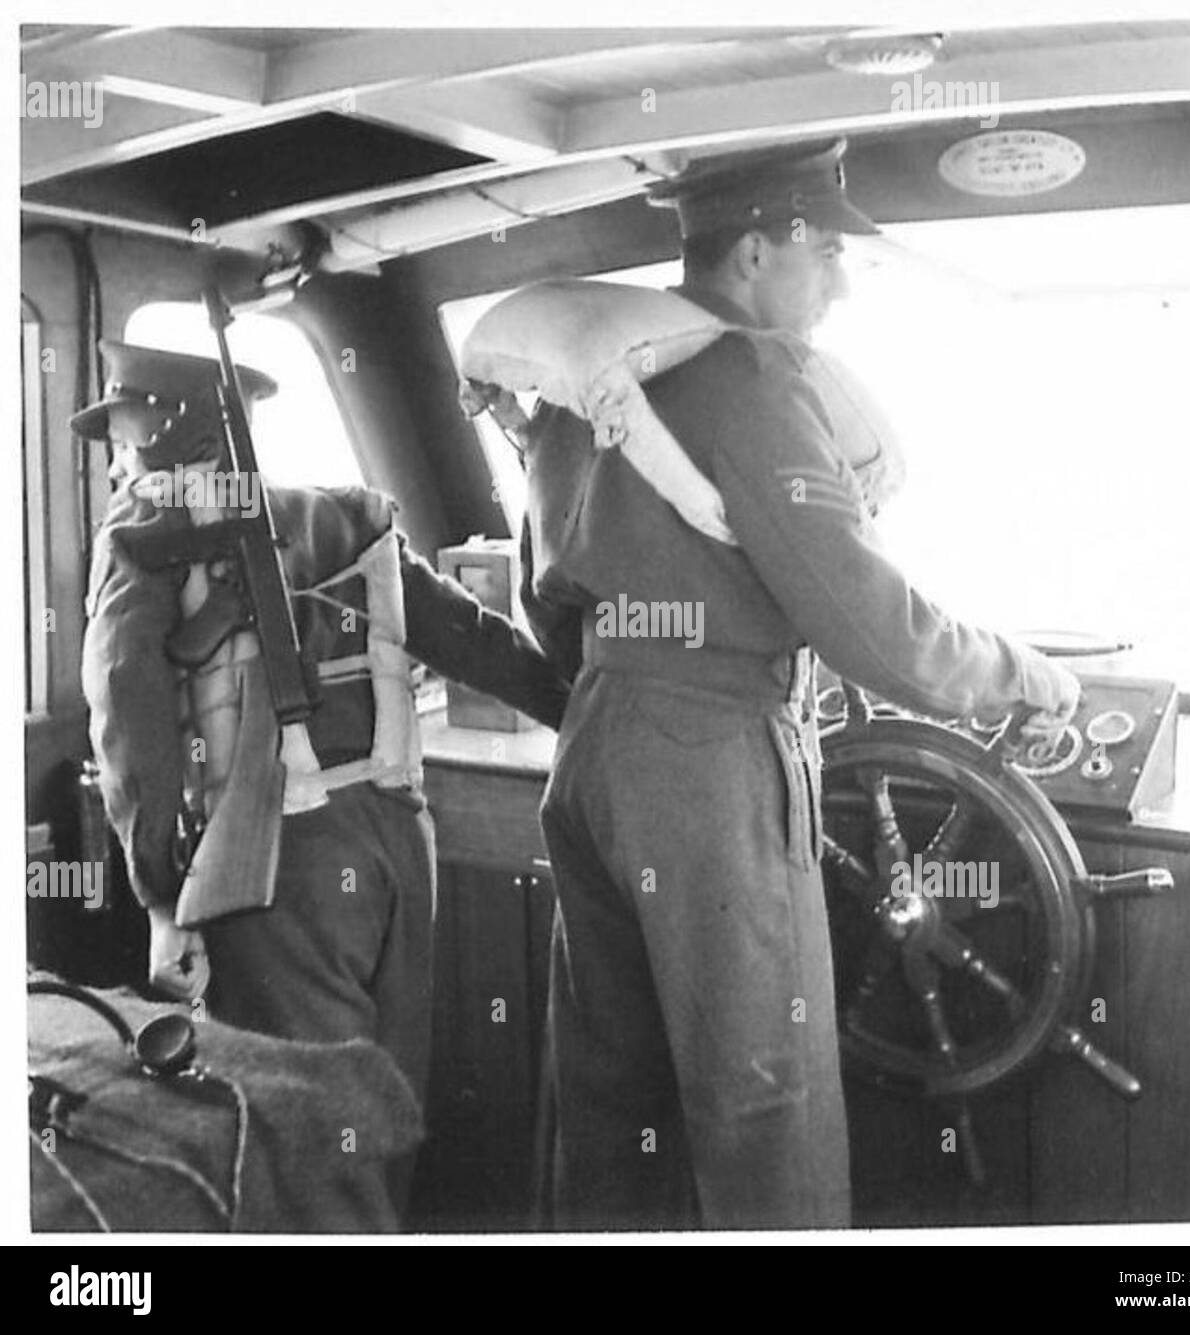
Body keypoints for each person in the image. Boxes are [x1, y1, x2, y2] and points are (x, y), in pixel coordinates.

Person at [515, 138, 1080, 1230]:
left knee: (610, 1097)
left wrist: (623, 689)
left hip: (593, 745)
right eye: (824, 254)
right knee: (764, 1102)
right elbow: (862, 616)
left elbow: (550, 602)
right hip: (708, 756)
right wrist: (1013, 670)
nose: (836, 286)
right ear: (759, 250)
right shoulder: (748, 375)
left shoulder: (585, 380)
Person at [77, 341, 568, 1117]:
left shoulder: (140, 534)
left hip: (270, 860)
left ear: (153, 429)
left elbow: (126, 710)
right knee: (388, 1095)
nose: (115, 457)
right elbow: (471, 637)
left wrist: (159, 884)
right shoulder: (341, 514)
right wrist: (583, 713)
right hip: (398, 841)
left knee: (305, 1123)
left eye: (122, 427)